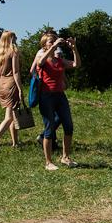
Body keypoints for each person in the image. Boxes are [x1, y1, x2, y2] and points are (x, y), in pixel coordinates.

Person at [31, 31, 81, 170]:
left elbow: (76, 64)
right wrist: (53, 47)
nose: (54, 43)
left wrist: (74, 48)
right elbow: (40, 63)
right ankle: (48, 162)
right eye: (50, 41)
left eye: (55, 41)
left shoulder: (60, 60)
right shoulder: (42, 57)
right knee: (49, 129)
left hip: (60, 96)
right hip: (46, 97)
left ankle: (65, 157)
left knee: (68, 126)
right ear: (45, 45)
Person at [0, 30, 23, 150]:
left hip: (1, 85)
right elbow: (16, 72)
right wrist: (20, 89)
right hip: (11, 84)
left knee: (12, 114)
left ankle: (15, 142)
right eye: (15, 37)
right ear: (11, 39)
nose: (16, 39)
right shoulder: (13, 51)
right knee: (9, 117)